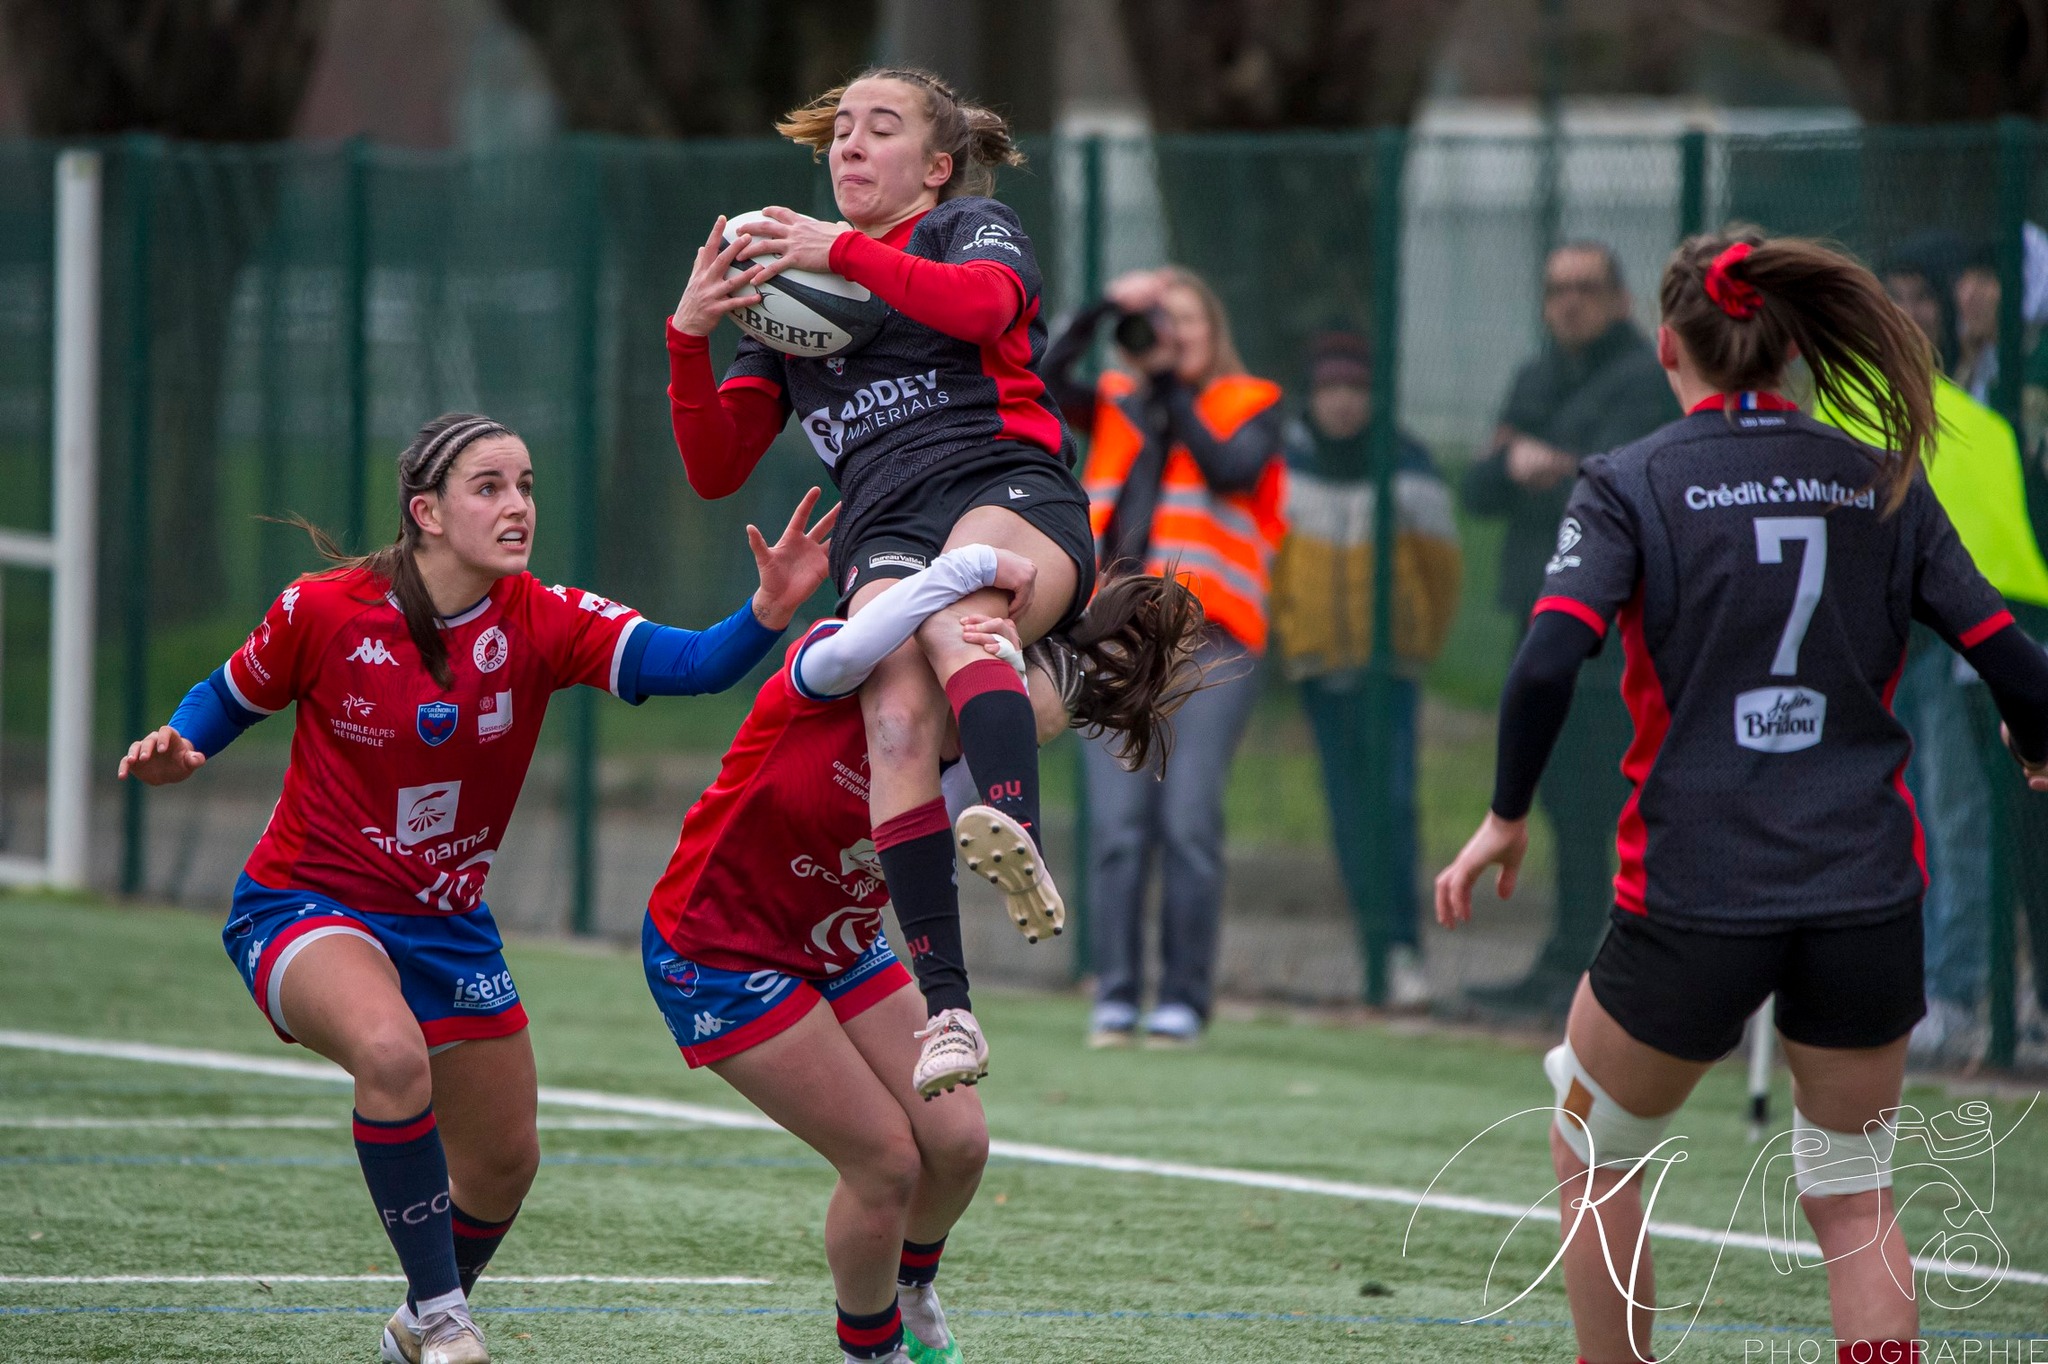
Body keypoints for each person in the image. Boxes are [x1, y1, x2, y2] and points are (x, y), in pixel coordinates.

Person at [1436, 229, 2048, 1364]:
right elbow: (2013, 654)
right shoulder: (1881, 479)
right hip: (1862, 888)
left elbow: (1539, 662)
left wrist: (1504, 813)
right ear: (1795, 351)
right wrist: (2031, 735)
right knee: (1853, 1197)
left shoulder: (1627, 481)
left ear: (1669, 344)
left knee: (1590, 1141)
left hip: (1693, 889)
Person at [116, 413, 834, 1364]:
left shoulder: (543, 616)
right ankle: (448, 1318)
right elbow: (226, 694)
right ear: (427, 512)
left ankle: (415, 1330)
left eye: (526, 485)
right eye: (489, 487)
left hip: (448, 925)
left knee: (502, 1163)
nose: (518, 506)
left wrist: (770, 609)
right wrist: (182, 746)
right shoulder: (324, 608)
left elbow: (694, 666)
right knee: (390, 1053)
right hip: (304, 903)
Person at [642, 547, 1204, 1364]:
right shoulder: (854, 663)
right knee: (885, 1163)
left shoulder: (959, 760)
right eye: (1016, 709)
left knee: (961, 1146)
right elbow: (868, 634)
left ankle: (909, 1288)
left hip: (839, 946)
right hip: (720, 950)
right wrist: (970, 565)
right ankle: (872, 1351)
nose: (1024, 736)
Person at [666, 66, 1092, 1096]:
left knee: (954, 616)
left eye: (880, 129)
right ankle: (948, 1008)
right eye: (840, 131)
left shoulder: (966, 230)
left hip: (1004, 483)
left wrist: (840, 246)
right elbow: (717, 464)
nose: (848, 146)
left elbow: (986, 306)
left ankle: (1013, 826)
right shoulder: (792, 306)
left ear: (936, 167)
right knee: (893, 721)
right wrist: (689, 336)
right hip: (883, 523)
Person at [1041, 265, 1287, 1047]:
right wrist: (1108, 308)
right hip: (1114, 641)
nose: (1172, 337)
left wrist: (1174, 386)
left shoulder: (1250, 404)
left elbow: (1233, 469)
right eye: (1161, 322)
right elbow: (1040, 381)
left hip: (1209, 645)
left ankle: (1182, 997)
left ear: (1214, 334)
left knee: (1185, 821)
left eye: (1188, 322)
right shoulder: (1119, 403)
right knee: (1116, 828)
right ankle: (1116, 993)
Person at [1459, 240, 1680, 1018]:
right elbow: (1483, 485)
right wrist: (1533, 466)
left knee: (1606, 800)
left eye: (1586, 288)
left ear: (1619, 298)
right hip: (1540, 619)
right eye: (1557, 290)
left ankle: (1609, 966)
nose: (1570, 304)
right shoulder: (1536, 374)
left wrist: (1545, 464)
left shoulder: (1643, 379)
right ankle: (1566, 954)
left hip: (1613, 639)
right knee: (1556, 800)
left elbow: (1615, 485)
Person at [1847, 261, 2048, 1065]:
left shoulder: (1983, 405)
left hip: (1962, 638)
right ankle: (1922, 985)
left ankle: (1958, 991)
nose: (1916, 309)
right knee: (1906, 819)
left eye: (1924, 294)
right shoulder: (1852, 398)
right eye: (1898, 295)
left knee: (1960, 818)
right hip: (1883, 640)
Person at [1268, 329, 1461, 1008]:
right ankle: (1371, 946)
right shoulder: (1286, 462)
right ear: (1313, 397)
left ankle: (1405, 945)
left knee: (1396, 804)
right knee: (1349, 813)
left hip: (1391, 669)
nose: (1344, 404)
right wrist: (1293, 634)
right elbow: (1275, 561)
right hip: (1322, 665)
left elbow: (1441, 568)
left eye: (1356, 389)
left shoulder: (1408, 463)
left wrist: (1415, 638)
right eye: (1331, 390)